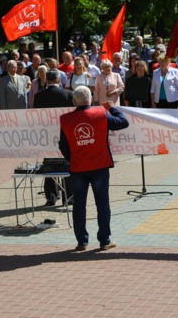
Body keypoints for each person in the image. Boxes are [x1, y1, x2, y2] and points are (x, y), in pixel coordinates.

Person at [59, 86, 129, 251]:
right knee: (102, 204)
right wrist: (112, 108)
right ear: (90, 99)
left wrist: (73, 157)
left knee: (79, 205)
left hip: (78, 167)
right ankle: (104, 240)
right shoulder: (101, 114)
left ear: (74, 101)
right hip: (100, 165)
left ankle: (81, 241)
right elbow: (123, 122)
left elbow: (63, 146)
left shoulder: (65, 119)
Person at [34, 69, 74, 206]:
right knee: (67, 164)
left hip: (47, 135)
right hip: (65, 134)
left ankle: (51, 196)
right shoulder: (68, 94)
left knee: (49, 165)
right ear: (58, 80)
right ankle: (69, 196)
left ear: (46, 80)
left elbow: (35, 117)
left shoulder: (39, 96)